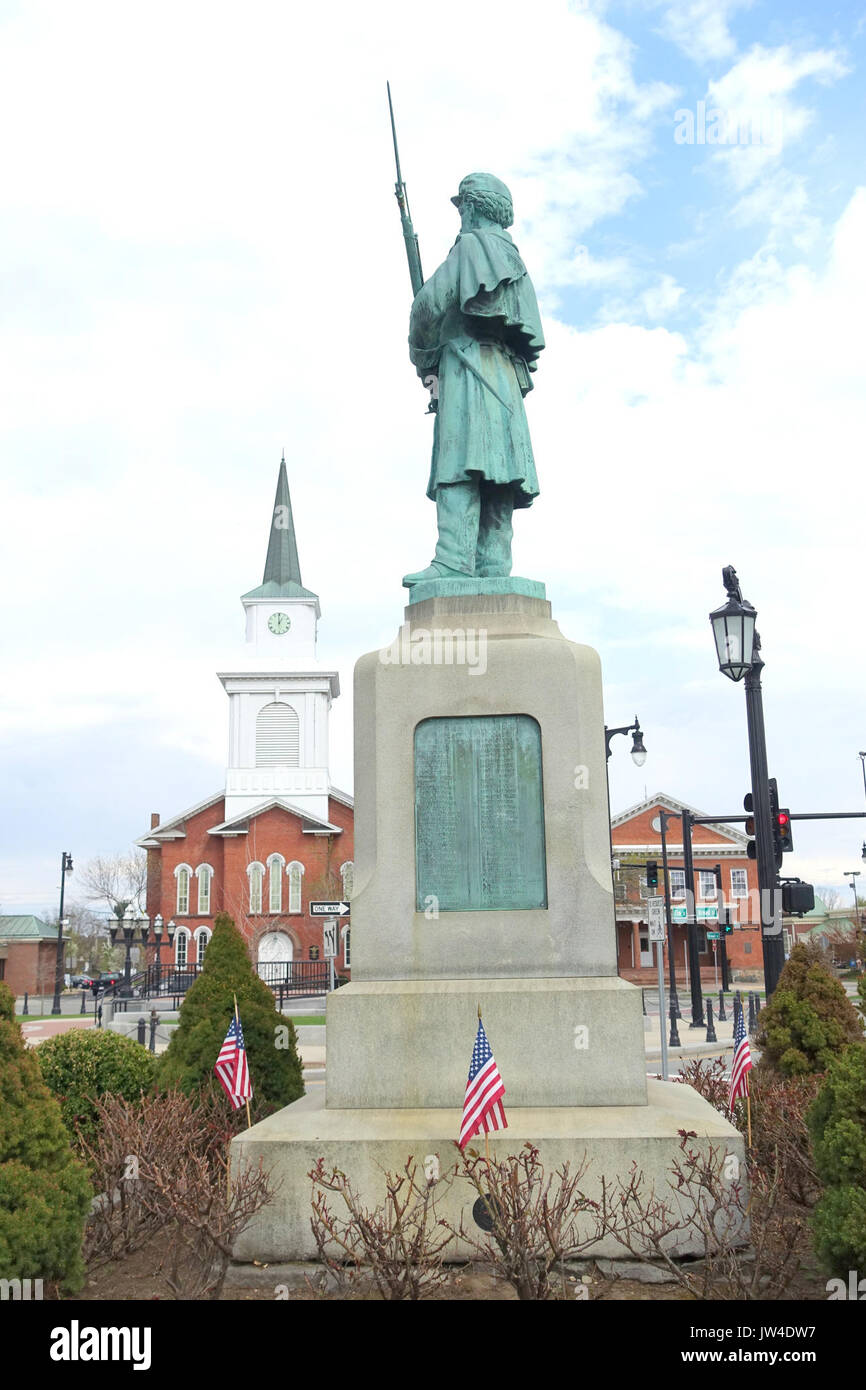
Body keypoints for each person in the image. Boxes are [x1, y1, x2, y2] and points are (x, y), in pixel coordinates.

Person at [403, 172, 544, 586]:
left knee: (459, 465)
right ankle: (493, 568)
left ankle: (452, 562)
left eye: (461, 206)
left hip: (466, 367)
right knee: (500, 473)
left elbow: (427, 309)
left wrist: (425, 361)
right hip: (504, 378)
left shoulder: (471, 247)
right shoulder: (515, 261)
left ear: (470, 206)